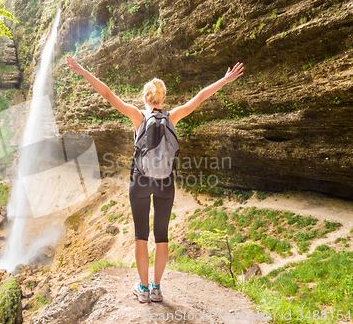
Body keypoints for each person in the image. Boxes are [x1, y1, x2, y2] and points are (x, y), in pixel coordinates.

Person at [66, 55, 244, 302]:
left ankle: (143, 289)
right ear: (163, 99)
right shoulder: (173, 116)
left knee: (141, 235)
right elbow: (201, 96)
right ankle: (157, 288)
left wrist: (83, 70)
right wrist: (225, 80)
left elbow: (107, 95)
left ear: (146, 98)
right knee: (161, 236)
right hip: (165, 183)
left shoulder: (138, 117)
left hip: (140, 181)